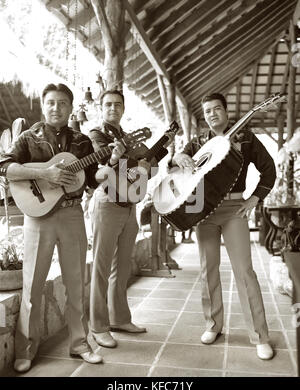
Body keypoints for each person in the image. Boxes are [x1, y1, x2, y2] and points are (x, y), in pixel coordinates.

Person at [0, 83, 102, 373]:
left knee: (75, 283)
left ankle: (80, 343)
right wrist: (44, 173)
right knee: (31, 286)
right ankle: (26, 350)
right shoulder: (27, 138)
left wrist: (111, 163)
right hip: (38, 218)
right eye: (51, 102)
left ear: (70, 108)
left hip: (72, 216)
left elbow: (93, 178)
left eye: (62, 103)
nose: (56, 107)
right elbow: (4, 166)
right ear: (43, 106)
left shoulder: (83, 142)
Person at [171, 93, 276, 360]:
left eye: (217, 109)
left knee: (245, 271)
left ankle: (259, 335)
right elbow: (178, 159)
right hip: (204, 211)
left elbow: (269, 169)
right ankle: (213, 325)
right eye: (207, 111)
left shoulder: (247, 138)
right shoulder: (198, 142)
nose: (212, 114)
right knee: (208, 270)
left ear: (227, 111)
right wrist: (180, 158)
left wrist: (254, 198)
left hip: (233, 209)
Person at [88, 89, 168, 348]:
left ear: (123, 109)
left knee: (122, 266)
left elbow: (147, 169)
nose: (113, 108)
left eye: (118, 104)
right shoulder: (96, 135)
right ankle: (98, 326)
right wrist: (131, 164)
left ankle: (119, 318)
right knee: (101, 268)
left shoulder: (126, 136)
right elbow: (105, 167)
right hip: (107, 203)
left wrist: (146, 167)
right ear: (102, 108)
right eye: (108, 104)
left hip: (129, 206)